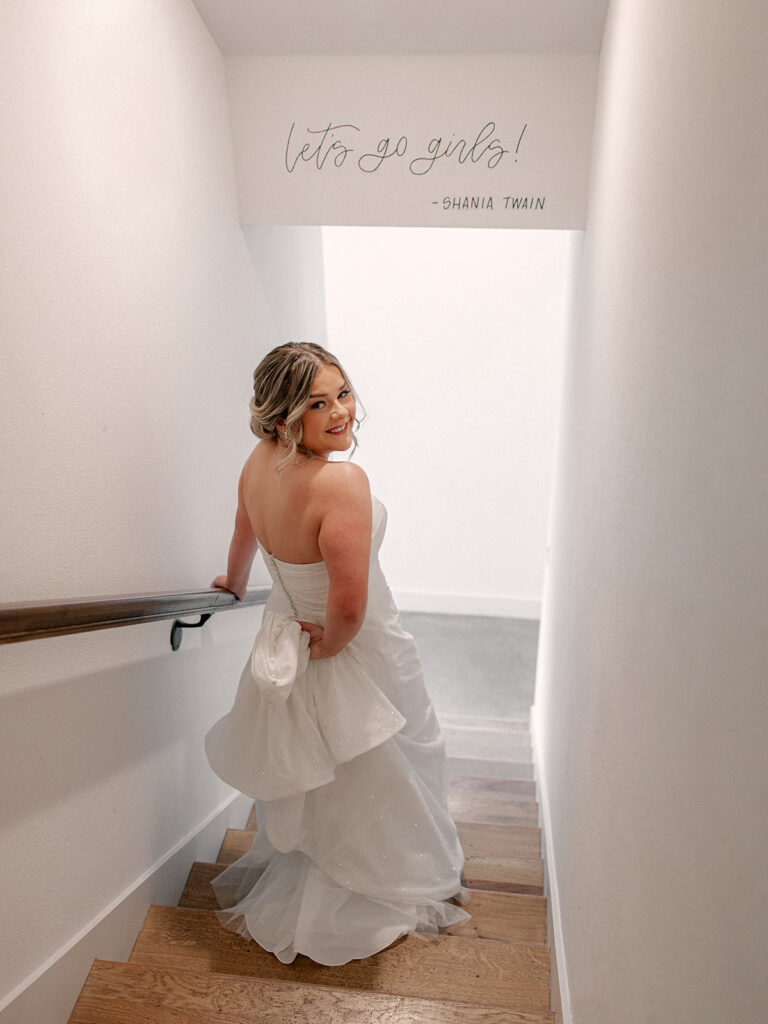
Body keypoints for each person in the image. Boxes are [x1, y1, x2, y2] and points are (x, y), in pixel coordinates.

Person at [204, 342, 469, 966]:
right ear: (281, 418)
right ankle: (388, 876)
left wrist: (235, 581)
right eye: (317, 403)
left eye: (343, 393)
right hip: (349, 642)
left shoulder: (259, 461)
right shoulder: (340, 480)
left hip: (285, 633)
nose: (340, 412)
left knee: (320, 765)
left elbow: (245, 525)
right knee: (386, 758)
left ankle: (324, 860)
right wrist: (334, 644)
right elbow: (349, 605)